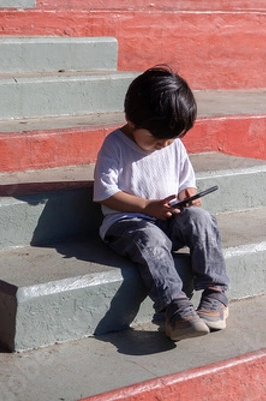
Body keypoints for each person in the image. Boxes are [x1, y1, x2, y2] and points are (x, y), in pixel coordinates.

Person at [93, 65, 230, 341]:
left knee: (201, 219)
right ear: (131, 122)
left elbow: (184, 182)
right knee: (150, 238)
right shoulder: (115, 144)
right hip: (128, 223)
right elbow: (105, 193)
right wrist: (146, 207)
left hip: (168, 218)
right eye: (156, 140)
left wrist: (189, 196)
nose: (165, 145)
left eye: (172, 139)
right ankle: (174, 308)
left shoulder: (173, 144)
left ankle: (216, 294)